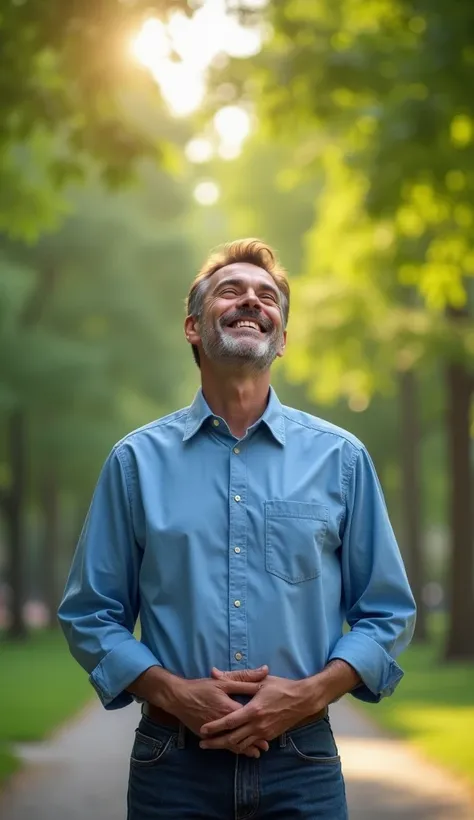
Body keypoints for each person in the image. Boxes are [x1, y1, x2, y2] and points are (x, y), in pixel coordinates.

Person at [58, 238, 416, 819]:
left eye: (267, 296)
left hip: (303, 760)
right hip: (171, 763)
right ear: (194, 328)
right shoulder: (134, 462)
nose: (252, 300)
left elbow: (387, 612)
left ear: (282, 339)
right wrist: (176, 694)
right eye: (231, 291)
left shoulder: (342, 460)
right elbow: (90, 613)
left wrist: (304, 696)